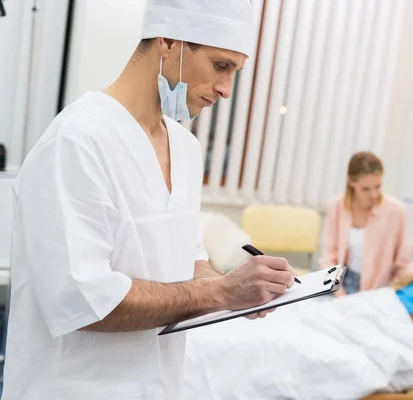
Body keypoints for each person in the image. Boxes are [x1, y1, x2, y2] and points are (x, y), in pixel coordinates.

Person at [2, 1, 296, 399]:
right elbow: (84, 301)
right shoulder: (77, 141)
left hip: (157, 385)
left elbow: (188, 263)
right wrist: (221, 293)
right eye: (220, 66)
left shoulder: (185, 149)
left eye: (235, 73)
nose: (227, 90)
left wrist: (244, 290)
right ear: (169, 42)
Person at [319, 151, 410, 296]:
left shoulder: (397, 212)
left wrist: (389, 293)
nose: (373, 195)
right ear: (351, 182)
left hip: (377, 291)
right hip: (338, 285)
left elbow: (402, 264)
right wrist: (339, 294)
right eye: (366, 189)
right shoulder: (336, 207)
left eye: (378, 186)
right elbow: (328, 257)